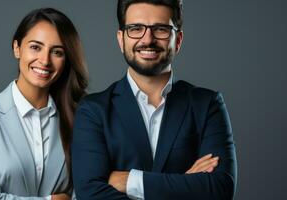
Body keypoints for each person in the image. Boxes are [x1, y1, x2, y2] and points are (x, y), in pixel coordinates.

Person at [71, 0, 237, 199]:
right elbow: (89, 194)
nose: (147, 39)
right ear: (120, 39)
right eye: (135, 28)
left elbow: (220, 189)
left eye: (161, 29)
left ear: (179, 39)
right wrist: (184, 183)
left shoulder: (207, 104)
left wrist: (130, 181)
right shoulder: (93, 110)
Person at [0, 8, 88, 200]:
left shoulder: (79, 118)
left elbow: (86, 192)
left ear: (66, 59)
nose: (45, 60)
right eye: (35, 47)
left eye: (57, 52)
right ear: (17, 48)